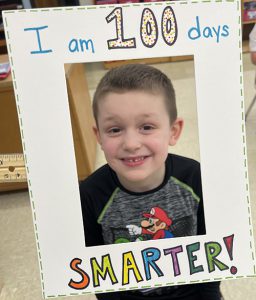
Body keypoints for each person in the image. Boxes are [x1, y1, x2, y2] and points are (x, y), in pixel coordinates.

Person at [79, 64, 221, 300]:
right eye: (114, 129)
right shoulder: (90, 193)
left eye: (146, 127)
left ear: (173, 131)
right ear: (99, 137)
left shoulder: (195, 178)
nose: (131, 143)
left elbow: (213, 252)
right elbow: (97, 269)